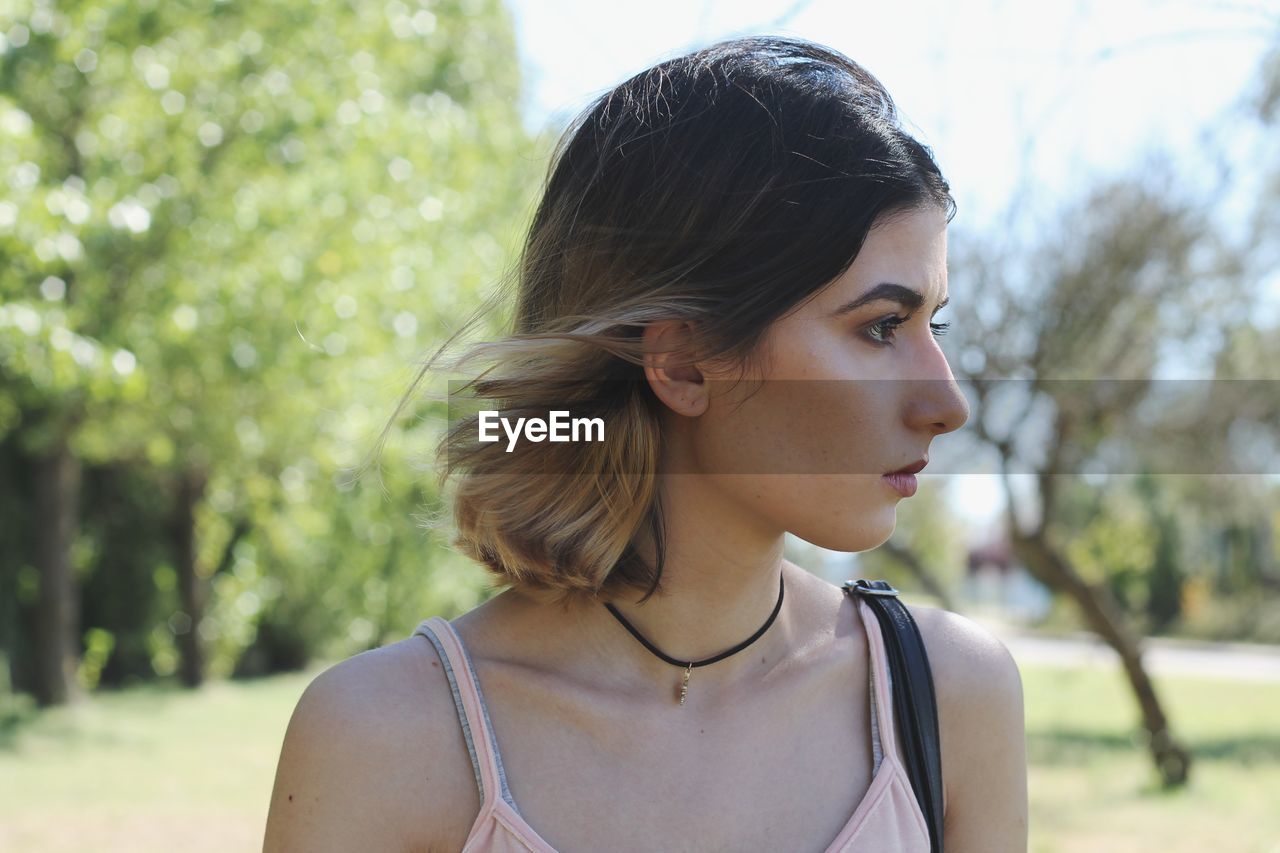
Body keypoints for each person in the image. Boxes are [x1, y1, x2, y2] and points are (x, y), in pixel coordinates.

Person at [264, 35, 1028, 852]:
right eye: (880, 327)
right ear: (682, 362)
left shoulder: (949, 697)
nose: (948, 401)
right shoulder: (387, 738)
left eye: (931, 324)